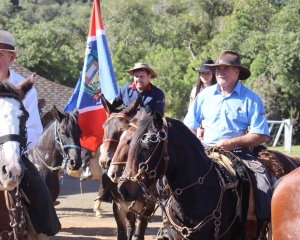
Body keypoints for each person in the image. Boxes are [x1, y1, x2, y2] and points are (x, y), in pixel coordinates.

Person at [183, 50, 272, 235]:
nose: (220, 72)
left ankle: (259, 225)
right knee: (177, 174)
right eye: (218, 69)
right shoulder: (204, 96)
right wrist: (195, 147)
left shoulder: (251, 99)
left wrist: (233, 142)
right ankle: (171, 223)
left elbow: (261, 134)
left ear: (237, 72)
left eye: (226, 68)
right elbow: (189, 126)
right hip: (205, 151)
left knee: (262, 181)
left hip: (239, 152)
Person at [0, 30, 61, 239]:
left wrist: (14, 150)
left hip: (14, 150)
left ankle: (40, 233)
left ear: (12, 57)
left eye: (0, 55)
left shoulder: (24, 88)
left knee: (41, 195)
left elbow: (34, 127)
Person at [99, 62, 166, 203]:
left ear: (149, 77)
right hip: (126, 132)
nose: (138, 79)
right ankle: (108, 190)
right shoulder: (125, 90)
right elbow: (113, 106)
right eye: (136, 76)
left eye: (142, 76)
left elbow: (158, 115)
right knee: (110, 154)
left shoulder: (157, 93)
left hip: (146, 133)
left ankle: (160, 190)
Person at [190, 59, 217, 140]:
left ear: (213, 74)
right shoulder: (195, 91)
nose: (205, 76)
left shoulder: (219, 91)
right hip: (197, 129)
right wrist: (198, 129)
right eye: (203, 73)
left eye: (208, 73)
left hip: (213, 128)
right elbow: (191, 113)